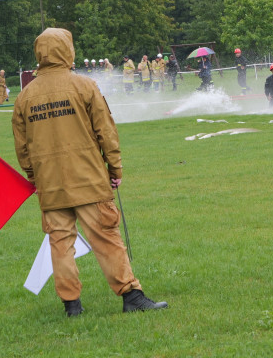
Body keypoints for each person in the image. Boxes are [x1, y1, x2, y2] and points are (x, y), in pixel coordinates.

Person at [12, 28, 168, 317]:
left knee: (60, 245)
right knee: (107, 237)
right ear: (67, 50)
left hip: (50, 185)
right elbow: (105, 131)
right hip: (88, 179)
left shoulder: (25, 96)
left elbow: (22, 147)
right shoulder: (85, 86)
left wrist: (35, 177)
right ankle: (131, 295)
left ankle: (72, 306)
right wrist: (115, 166)